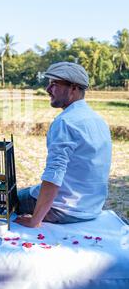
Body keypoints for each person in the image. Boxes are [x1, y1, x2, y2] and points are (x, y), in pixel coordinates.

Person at [15, 61, 112, 228]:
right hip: (91, 208)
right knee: (30, 190)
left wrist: (34, 221)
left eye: (54, 84)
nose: (47, 89)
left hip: (64, 209)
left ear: (73, 88)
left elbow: (54, 174)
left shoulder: (66, 122)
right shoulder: (98, 120)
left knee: (5, 199)